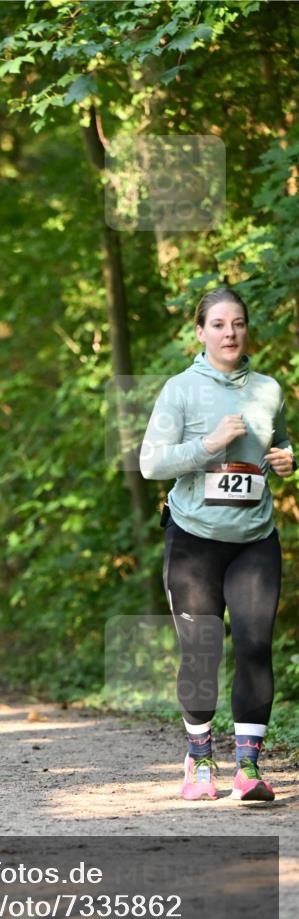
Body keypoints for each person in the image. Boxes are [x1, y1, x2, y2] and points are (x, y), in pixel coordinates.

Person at [141, 287, 294, 802]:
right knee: (202, 653)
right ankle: (200, 759)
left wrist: (288, 460)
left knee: (254, 644)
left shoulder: (269, 389)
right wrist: (208, 445)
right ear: (200, 331)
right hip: (194, 541)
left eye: (239, 324)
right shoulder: (180, 390)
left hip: (255, 538)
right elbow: (151, 464)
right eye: (220, 324)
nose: (231, 333)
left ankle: (248, 768)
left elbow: (282, 442)